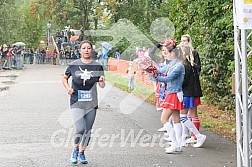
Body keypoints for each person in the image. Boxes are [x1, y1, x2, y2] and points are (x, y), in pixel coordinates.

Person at [62, 40, 106, 164]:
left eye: (88, 48)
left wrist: (102, 80)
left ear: (92, 50)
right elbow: (64, 77)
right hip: (76, 101)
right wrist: (68, 89)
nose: (86, 50)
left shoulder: (97, 66)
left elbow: (102, 85)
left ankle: (82, 152)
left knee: (87, 130)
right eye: (84, 48)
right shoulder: (73, 65)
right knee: (80, 129)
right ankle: (75, 149)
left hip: (91, 103)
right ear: (80, 50)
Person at [151, 40, 185, 154]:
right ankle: (178, 144)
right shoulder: (172, 63)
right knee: (176, 118)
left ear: (173, 53)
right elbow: (162, 70)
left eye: (167, 52)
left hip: (174, 94)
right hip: (172, 92)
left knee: (164, 119)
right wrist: (152, 69)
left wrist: (156, 77)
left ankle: (175, 144)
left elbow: (167, 78)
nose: (165, 54)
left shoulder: (179, 66)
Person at [179, 44, 206, 147]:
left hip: (186, 93)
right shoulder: (190, 64)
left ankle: (198, 136)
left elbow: (183, 81)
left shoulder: (184, 65)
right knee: (191, 115)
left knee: (183, 116)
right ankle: (186, 136)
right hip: (190, 92)